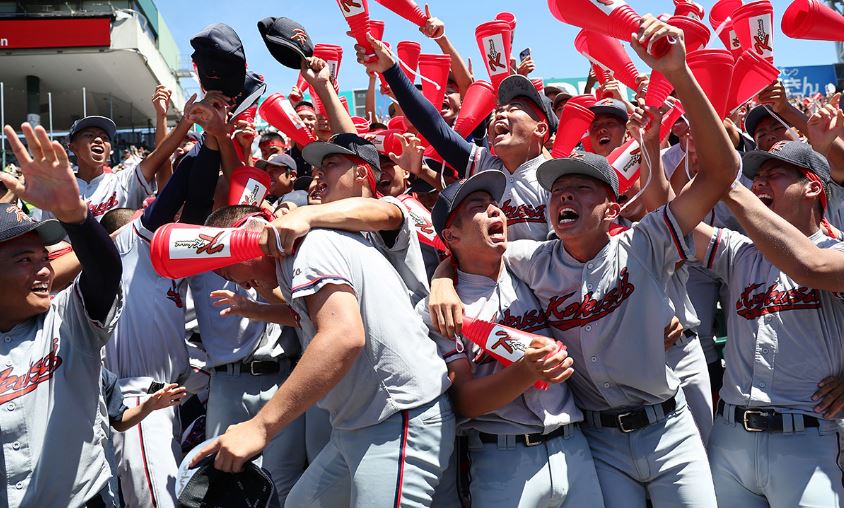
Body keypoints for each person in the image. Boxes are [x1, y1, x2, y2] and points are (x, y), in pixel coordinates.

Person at [430, 17, 736, 506]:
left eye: (581, 188)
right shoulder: (531, 260)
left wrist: (678, 74)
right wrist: (441, 282)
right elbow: (473, 253)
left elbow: (721, 172)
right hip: (597, 443)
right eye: (557, 190)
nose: (565, 195)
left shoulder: (644, 241)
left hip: (669, 429)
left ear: (612, 210)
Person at [189, 141, 456, 505]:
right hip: (362, 422)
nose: (232, 281)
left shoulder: (315, 241)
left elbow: (343, 336)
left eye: (225, 268)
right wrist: (258, 305)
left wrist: (260, 426)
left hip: (398, 416)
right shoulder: (310, 242)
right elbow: (313, 317)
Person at [419, 171, 605, 507]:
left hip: (573, 447)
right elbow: (464, 401)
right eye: (478, 207)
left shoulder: (527, 264)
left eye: (495, 203)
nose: (495, 210)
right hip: (503, 461)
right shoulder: (440, 309)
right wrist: (528, 371)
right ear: (451, 235)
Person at [689, 140, 844, 506]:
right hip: (731, 438)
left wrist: (728, 184)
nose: (759, 183)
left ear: (812, 187)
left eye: (774, 175)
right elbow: (671, 216)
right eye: (755, 177)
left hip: (810, 437)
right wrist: (654, 147)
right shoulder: (740, 251)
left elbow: (808, 266)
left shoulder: (837, 252)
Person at [0, 123, 123, 507]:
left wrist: (75, 216)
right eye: (25, 260)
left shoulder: (67, 318)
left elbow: (106, 271)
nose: (44, 270)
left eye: (44, 257)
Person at [359, 34, 559, 242]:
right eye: (499, 109)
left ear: (540, 129)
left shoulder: (554, 180)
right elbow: (434, 127)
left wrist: (507, 256)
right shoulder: (485, 165)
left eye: (514, 108)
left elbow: (563, 251)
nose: (501, 113)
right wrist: (391, 70)